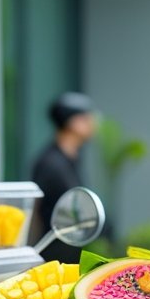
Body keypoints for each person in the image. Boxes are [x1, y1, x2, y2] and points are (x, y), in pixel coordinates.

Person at [30, 91, 99, 263]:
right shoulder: (51, 164)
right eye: (87, 117)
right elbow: (35, 213)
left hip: (70, 256)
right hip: (51, 260)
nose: (94, 122)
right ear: (74, 123)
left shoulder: (71, 158)